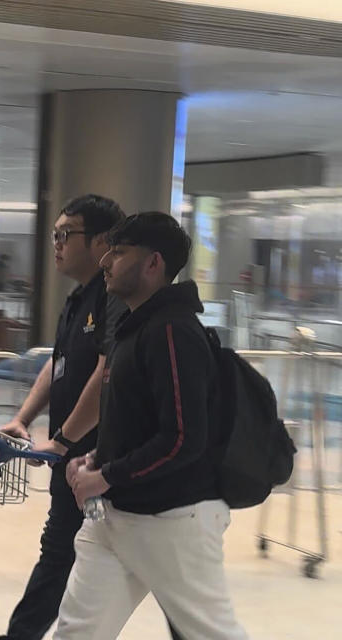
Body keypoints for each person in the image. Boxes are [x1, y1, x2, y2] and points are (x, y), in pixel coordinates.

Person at [56, 212, 247, 639]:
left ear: (153, 264)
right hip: (115, 517)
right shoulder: (135, 327)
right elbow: (137, 423)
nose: (105, 262)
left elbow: (182, 438)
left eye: (119, 253)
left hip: (173, 521)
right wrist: (95, 457)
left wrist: (105, 475)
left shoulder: (172, 332)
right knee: (77, 631)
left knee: (210, 633)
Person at [0, 194, 136, 640]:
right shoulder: (79, 300)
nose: (56, 243)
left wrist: (61, 439)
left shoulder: (114, 298)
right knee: (62, 556)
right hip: (71, 461)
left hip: (98, 461)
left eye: (65, 235)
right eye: (54, 234)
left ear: (100, 242)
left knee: (68, 557)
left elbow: (107, 371)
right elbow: (57, 364)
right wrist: (24, 418)